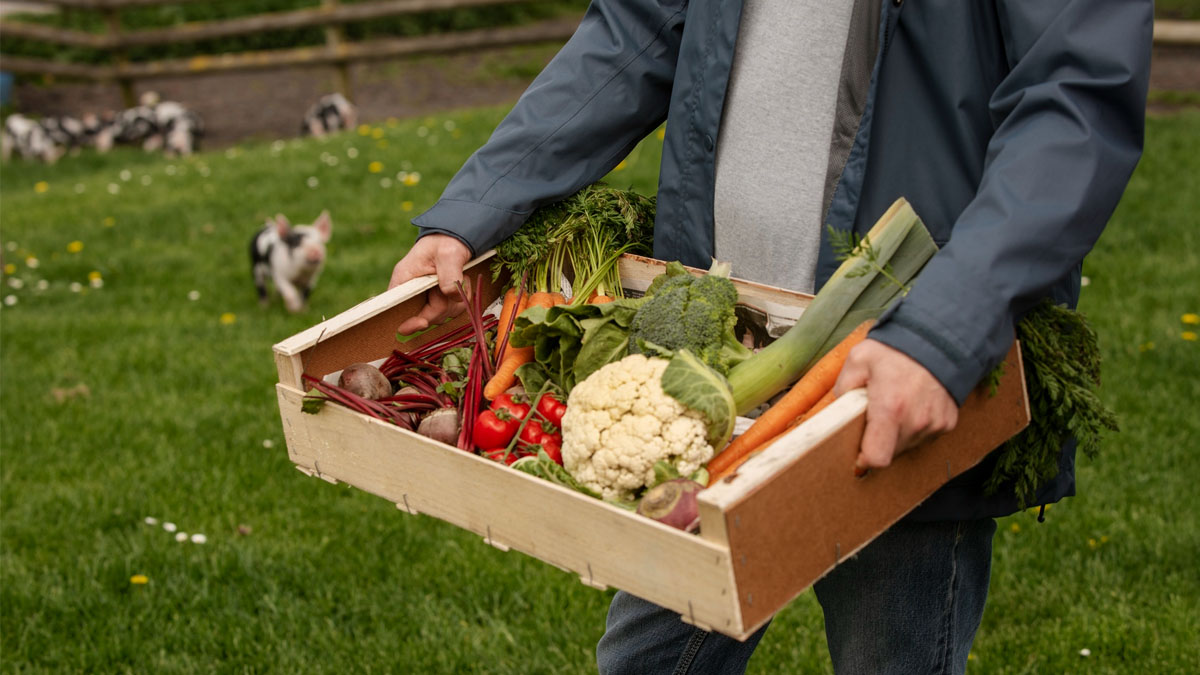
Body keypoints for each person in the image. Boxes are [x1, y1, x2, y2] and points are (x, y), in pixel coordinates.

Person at [388, 0, 1152, 672]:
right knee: (649, 660)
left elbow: (1075, 97)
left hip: (890, 369)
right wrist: (476, 207)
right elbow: (637, 27)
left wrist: (942, 332)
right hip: (718, 359)